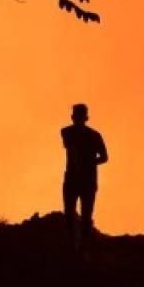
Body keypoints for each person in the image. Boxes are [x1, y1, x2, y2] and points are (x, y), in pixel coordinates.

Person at [61, 103, 108, 251]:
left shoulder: (69, 132)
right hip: (80, 180)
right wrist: (90, 162)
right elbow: (103, 157)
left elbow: (105, 157)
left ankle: (81, 248)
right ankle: (75, 246)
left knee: (82, 215)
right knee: (74, 214)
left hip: (79, 180)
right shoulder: (88, 135)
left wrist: (87, 163)